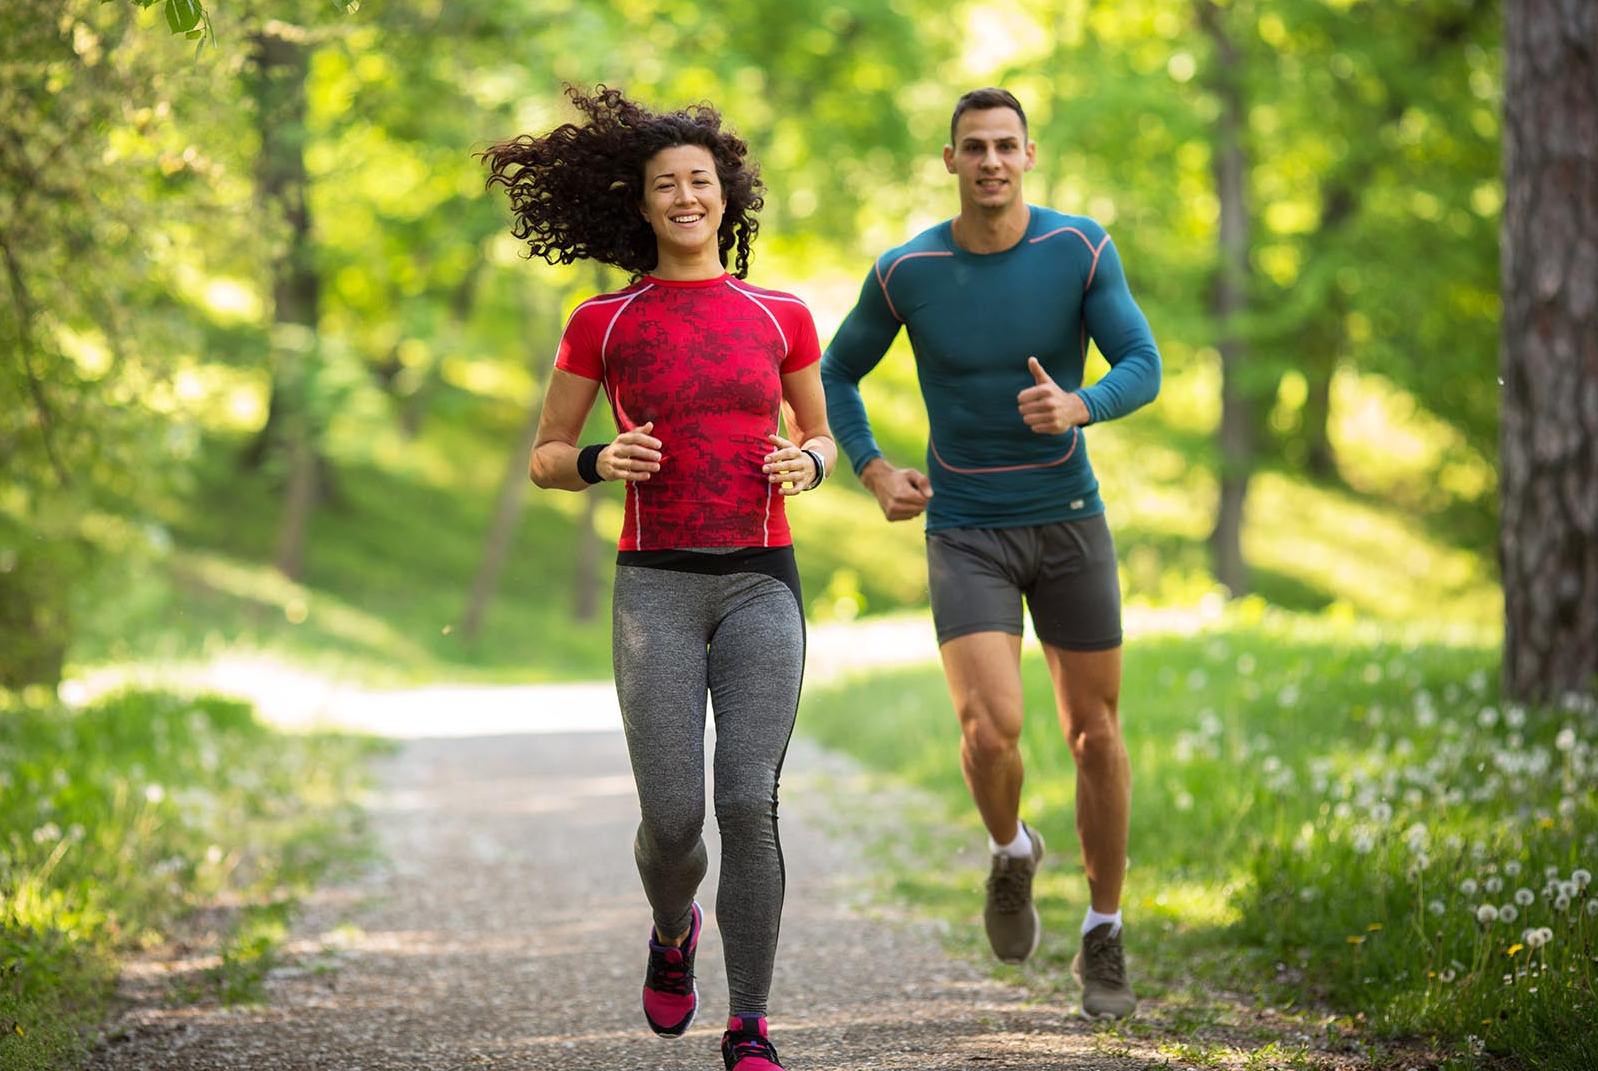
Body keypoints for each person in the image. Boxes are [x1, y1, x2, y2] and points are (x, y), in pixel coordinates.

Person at [485, 86, 837, 1071]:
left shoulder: (782, 313)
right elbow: (547, 454)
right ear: (640, 206)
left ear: (725, 194)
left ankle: (753, 1021)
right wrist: (602, 459)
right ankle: (672, 925)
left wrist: (808, 462)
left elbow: (822, 435)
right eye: (664, 184)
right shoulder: (604, 319)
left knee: (748, 800)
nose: (685, 195)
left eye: (700, 179)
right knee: (676, 819)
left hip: (763, 578)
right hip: (657, 590)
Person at [820, 87, 1160, 1020]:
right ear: (950, 160)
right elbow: (838, 370)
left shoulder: (1079, 247)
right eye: (974, 147)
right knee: (990, 729)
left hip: (1067, 521)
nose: (991, 162)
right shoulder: (907, 270)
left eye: (1006, 146)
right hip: (964, 526)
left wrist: (1081, 404)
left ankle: (1103, 929)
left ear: (1030, 155)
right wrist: (872, 467)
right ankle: (1012, 852)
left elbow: (1144, 361)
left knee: (1095, 735)